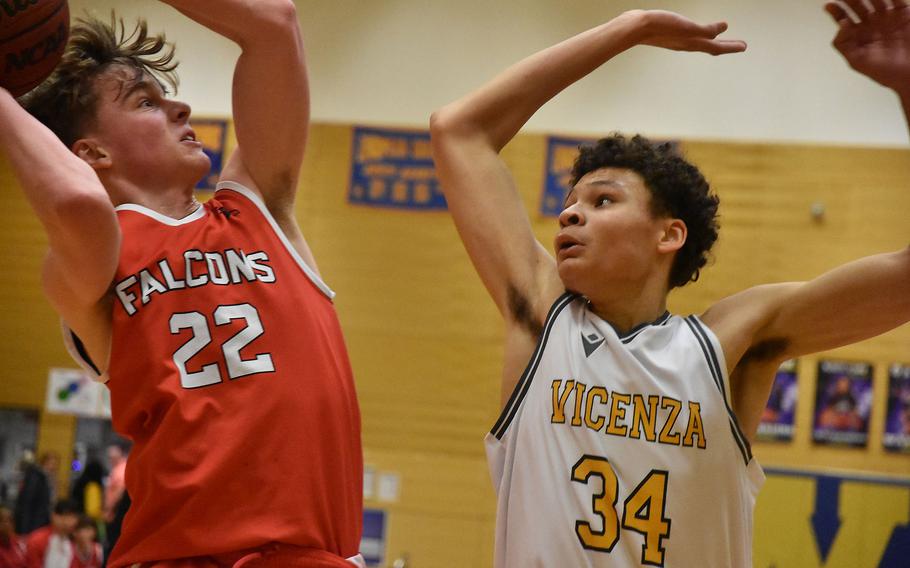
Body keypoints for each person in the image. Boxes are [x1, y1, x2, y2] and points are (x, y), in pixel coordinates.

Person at [430, 3, 910, 567]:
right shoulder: (543, 317)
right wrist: (626, 30)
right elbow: (457, 131)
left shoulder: (730, 341)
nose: (569, 216)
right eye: (569, 203)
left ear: (669, 234)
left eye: (602, 200)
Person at [0, 1, 363, 567]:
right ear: (92, 153)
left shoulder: (257, 207)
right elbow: (75, 202)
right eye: (147, 102)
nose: (182, 106)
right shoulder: (94, 259)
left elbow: (275, 25)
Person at [13, 452, 58, 535]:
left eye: (55, 464)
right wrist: (24, 528)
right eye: (51, 463)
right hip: (34, 520)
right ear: (43, 463)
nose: (53, 466)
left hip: (43, 520)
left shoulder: (49, 479)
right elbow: (27, 503)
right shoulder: (36, 477)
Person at [24, 500, 79, 568]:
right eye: (65, 516)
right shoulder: (37, 540)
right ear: (54, 516)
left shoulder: (75, 541)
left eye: (73, 517)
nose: (67, 521)